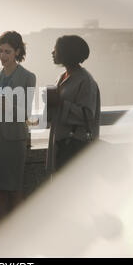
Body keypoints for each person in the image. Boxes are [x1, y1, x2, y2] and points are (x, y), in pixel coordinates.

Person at [0, 31, 36, 223]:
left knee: (15, 189)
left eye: (7, 51)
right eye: (0, 51)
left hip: (14, 141)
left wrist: (8, 105)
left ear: (17, 52)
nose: (3, 56)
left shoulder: (28, 77)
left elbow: (26, 112)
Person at [45, 35, 100, 174]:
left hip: (74, 147)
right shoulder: (61, 77)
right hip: (60, 144)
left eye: (55, 49)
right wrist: (50, 103)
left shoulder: (86, 81)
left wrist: (61, 102)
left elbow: (88, 115)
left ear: (66, 53)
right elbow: (56, 111)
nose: (52, 53)